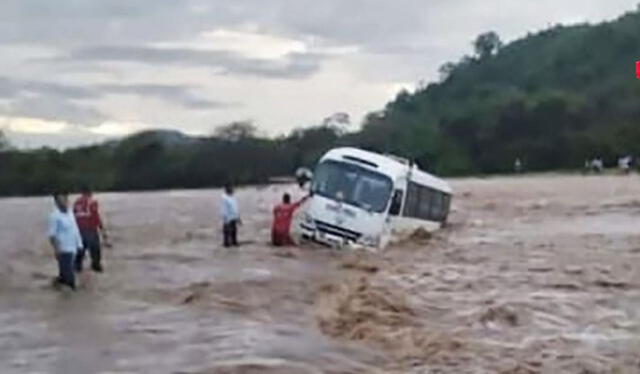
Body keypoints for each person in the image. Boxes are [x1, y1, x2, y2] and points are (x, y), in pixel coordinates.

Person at [48, 191, 83, 290]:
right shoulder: (54, 216)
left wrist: (79, 245)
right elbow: (52, 235)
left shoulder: (70, 213)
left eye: (64, 199)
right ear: (56, 203)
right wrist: (57, 250)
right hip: (63, 249)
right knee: (70, 278)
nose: (63, 202)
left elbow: (75, 230)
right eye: (60, 200)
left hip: (74, 248)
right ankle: (71, 293)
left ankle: (57, 285)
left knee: (67, 274)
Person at [73, 185, 108, 272]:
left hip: (79, 231)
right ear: (90, 193)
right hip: (90, 230)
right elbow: (96, 217)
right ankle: (96, 268)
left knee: (79, 253)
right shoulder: (92, 202)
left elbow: (73, 217)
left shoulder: (76, 203)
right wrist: (102, 230)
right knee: (95, 252)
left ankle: (77, 269)